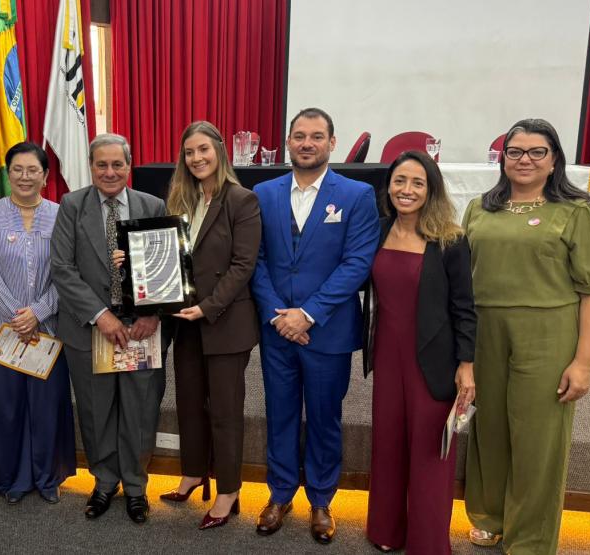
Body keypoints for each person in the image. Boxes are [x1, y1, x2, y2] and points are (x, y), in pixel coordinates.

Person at [463, 119, 590, 555]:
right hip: (485, 331)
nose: (524, 160)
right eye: (515, 151)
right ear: (503, 158)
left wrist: (583, 363)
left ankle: (530, 536)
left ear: (554, 160)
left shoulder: (577, 212)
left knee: (538, 436)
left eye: (536, 152)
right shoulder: (479, 209)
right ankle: (490, 516)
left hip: (547, 333)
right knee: (489, 428)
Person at [250, 107, 379, 543]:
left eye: (317, 136)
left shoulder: (357, 195)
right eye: (300, 136)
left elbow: (357, 263)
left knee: (325, 418)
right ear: (288, 142)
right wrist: (279, 314)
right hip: (277, 331)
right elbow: (256, 260)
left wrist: (306, 314)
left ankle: (322, 500)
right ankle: (280, 494)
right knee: (280, 414)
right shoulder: (263, 193)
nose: (307, 143)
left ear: (332, 143)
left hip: (327, 331)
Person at [362, 151, 476, 554]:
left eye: (417, 182)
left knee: (431, 454)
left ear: (431, 190)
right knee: (388, 444)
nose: (406, 190)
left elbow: (465, 308)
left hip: (434, 361)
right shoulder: (378, 230)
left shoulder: (450, 240)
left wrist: (466, 365)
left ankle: (427, 543)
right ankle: (386, 531)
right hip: (387, 357)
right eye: (399, 181)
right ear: (388, 186)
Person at [50, 133, 167, 524]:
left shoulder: (152, 205)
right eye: (101, 164)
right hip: (90, 329)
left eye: (118, 164)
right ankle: (104, 482)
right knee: (95, 411)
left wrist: (152, 313)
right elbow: (62, 269)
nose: (110, 171)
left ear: (129, 166)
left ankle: (135, 486)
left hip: (140, 331)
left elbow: (163, 267)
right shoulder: (72, 205)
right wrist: (101, 315)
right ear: (91, 166)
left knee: (139, 410)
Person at [156, 121, 261, 529]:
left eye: (203, 149)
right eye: (189, 152)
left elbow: (243, 265)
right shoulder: (181, 199)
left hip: (224, 321)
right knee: (188, 403)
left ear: (219, 150)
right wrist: (132, 263)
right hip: (186, 322)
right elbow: (169, 257)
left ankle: (229, 491)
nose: (196, 158)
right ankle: (194, 472)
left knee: (224, 410)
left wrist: (208, 306)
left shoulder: (241, 200)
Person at [0, 142, 76, 506]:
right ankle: (11, 478)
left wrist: (39, 311)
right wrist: (18, 316)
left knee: (47, 406)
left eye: (33, 170)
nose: (25, 176)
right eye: (17, 169)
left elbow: (69, 272)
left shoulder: (61, 215)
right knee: (7, 406)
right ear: (7, 173)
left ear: (46, 176)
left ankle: (47, 477)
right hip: (1, 329)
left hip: (48, 329)